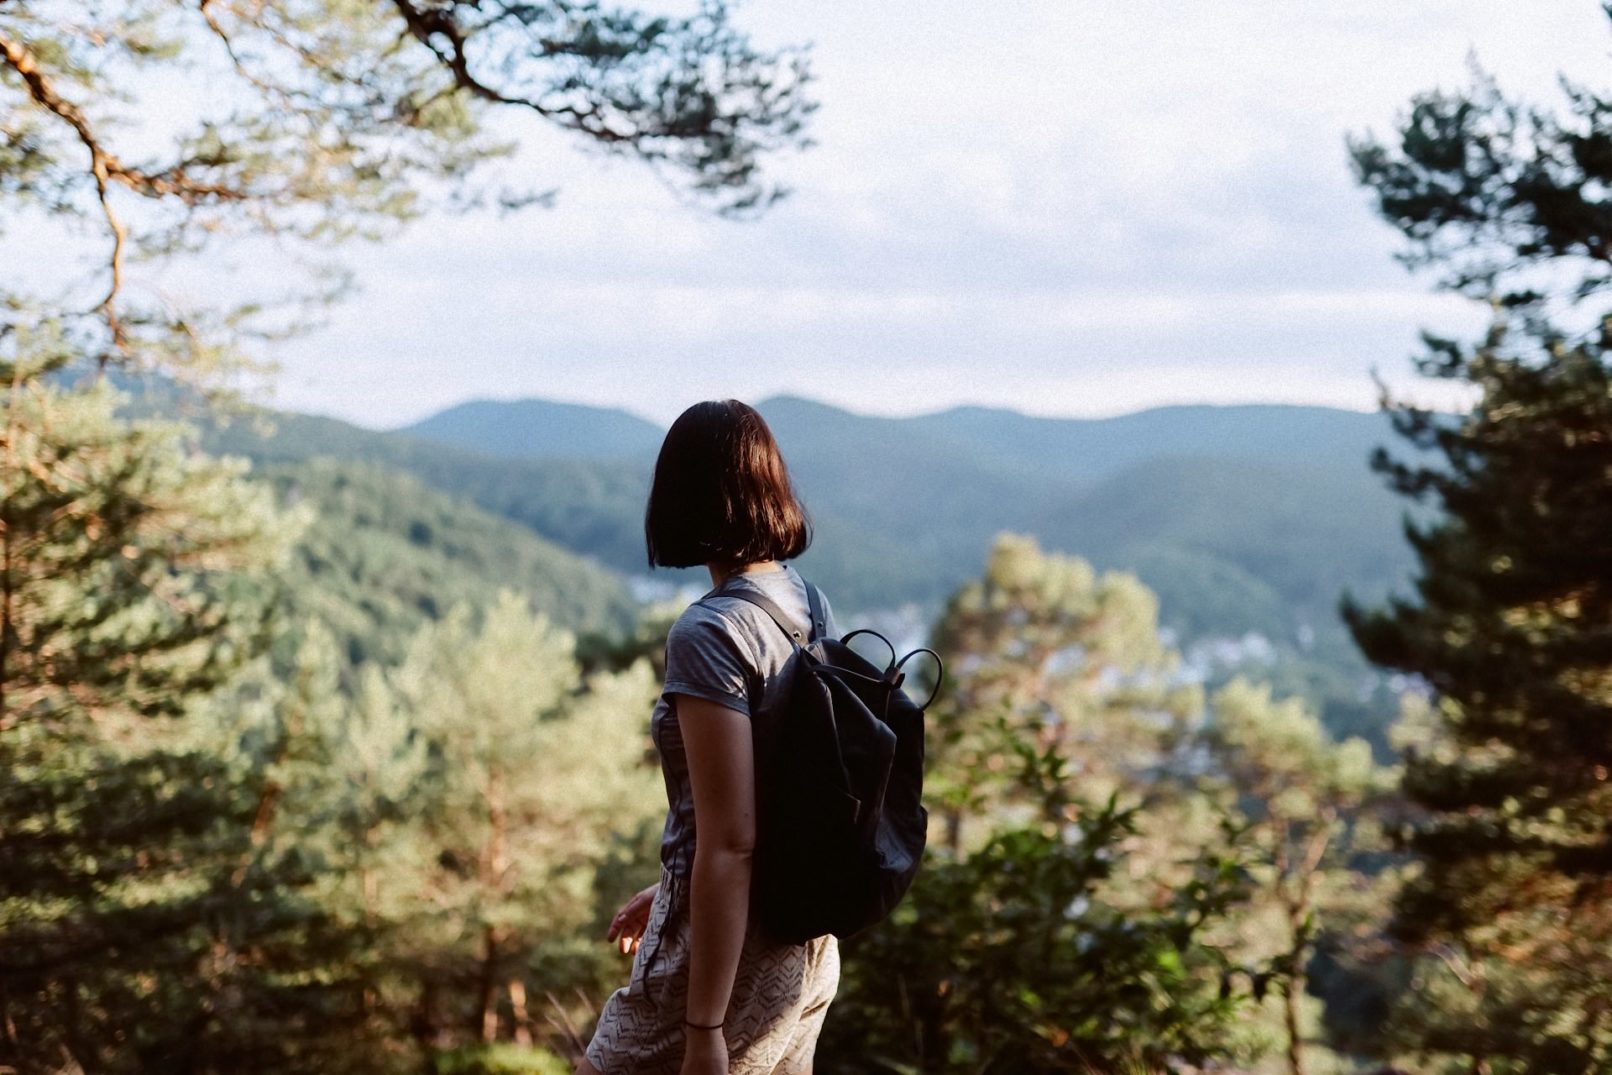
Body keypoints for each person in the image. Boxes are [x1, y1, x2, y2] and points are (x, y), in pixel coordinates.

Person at [579, 400, 840, 1075]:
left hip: (721, 964)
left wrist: (704, 1028)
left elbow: (731, 840)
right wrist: (672, 887)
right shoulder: (808, 604)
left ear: (682, 496)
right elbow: (782, 792)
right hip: (807, 945)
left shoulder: (709, 632)